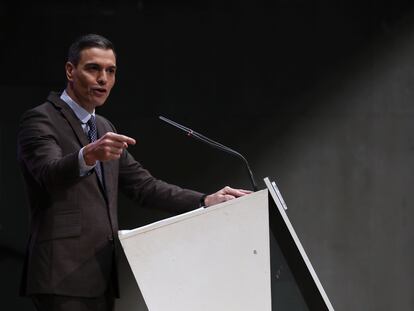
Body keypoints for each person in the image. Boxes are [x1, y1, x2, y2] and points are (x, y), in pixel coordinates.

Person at [17, 33, 251, 311]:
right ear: (70, 70)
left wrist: (204, 200)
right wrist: (87, 155)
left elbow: (143, 186)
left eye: (110, 71)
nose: (103, 79)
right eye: (93, 68)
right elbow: (47, 173)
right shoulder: (41, 119)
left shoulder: (104, 127)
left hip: (101, 273)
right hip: (60, 274)